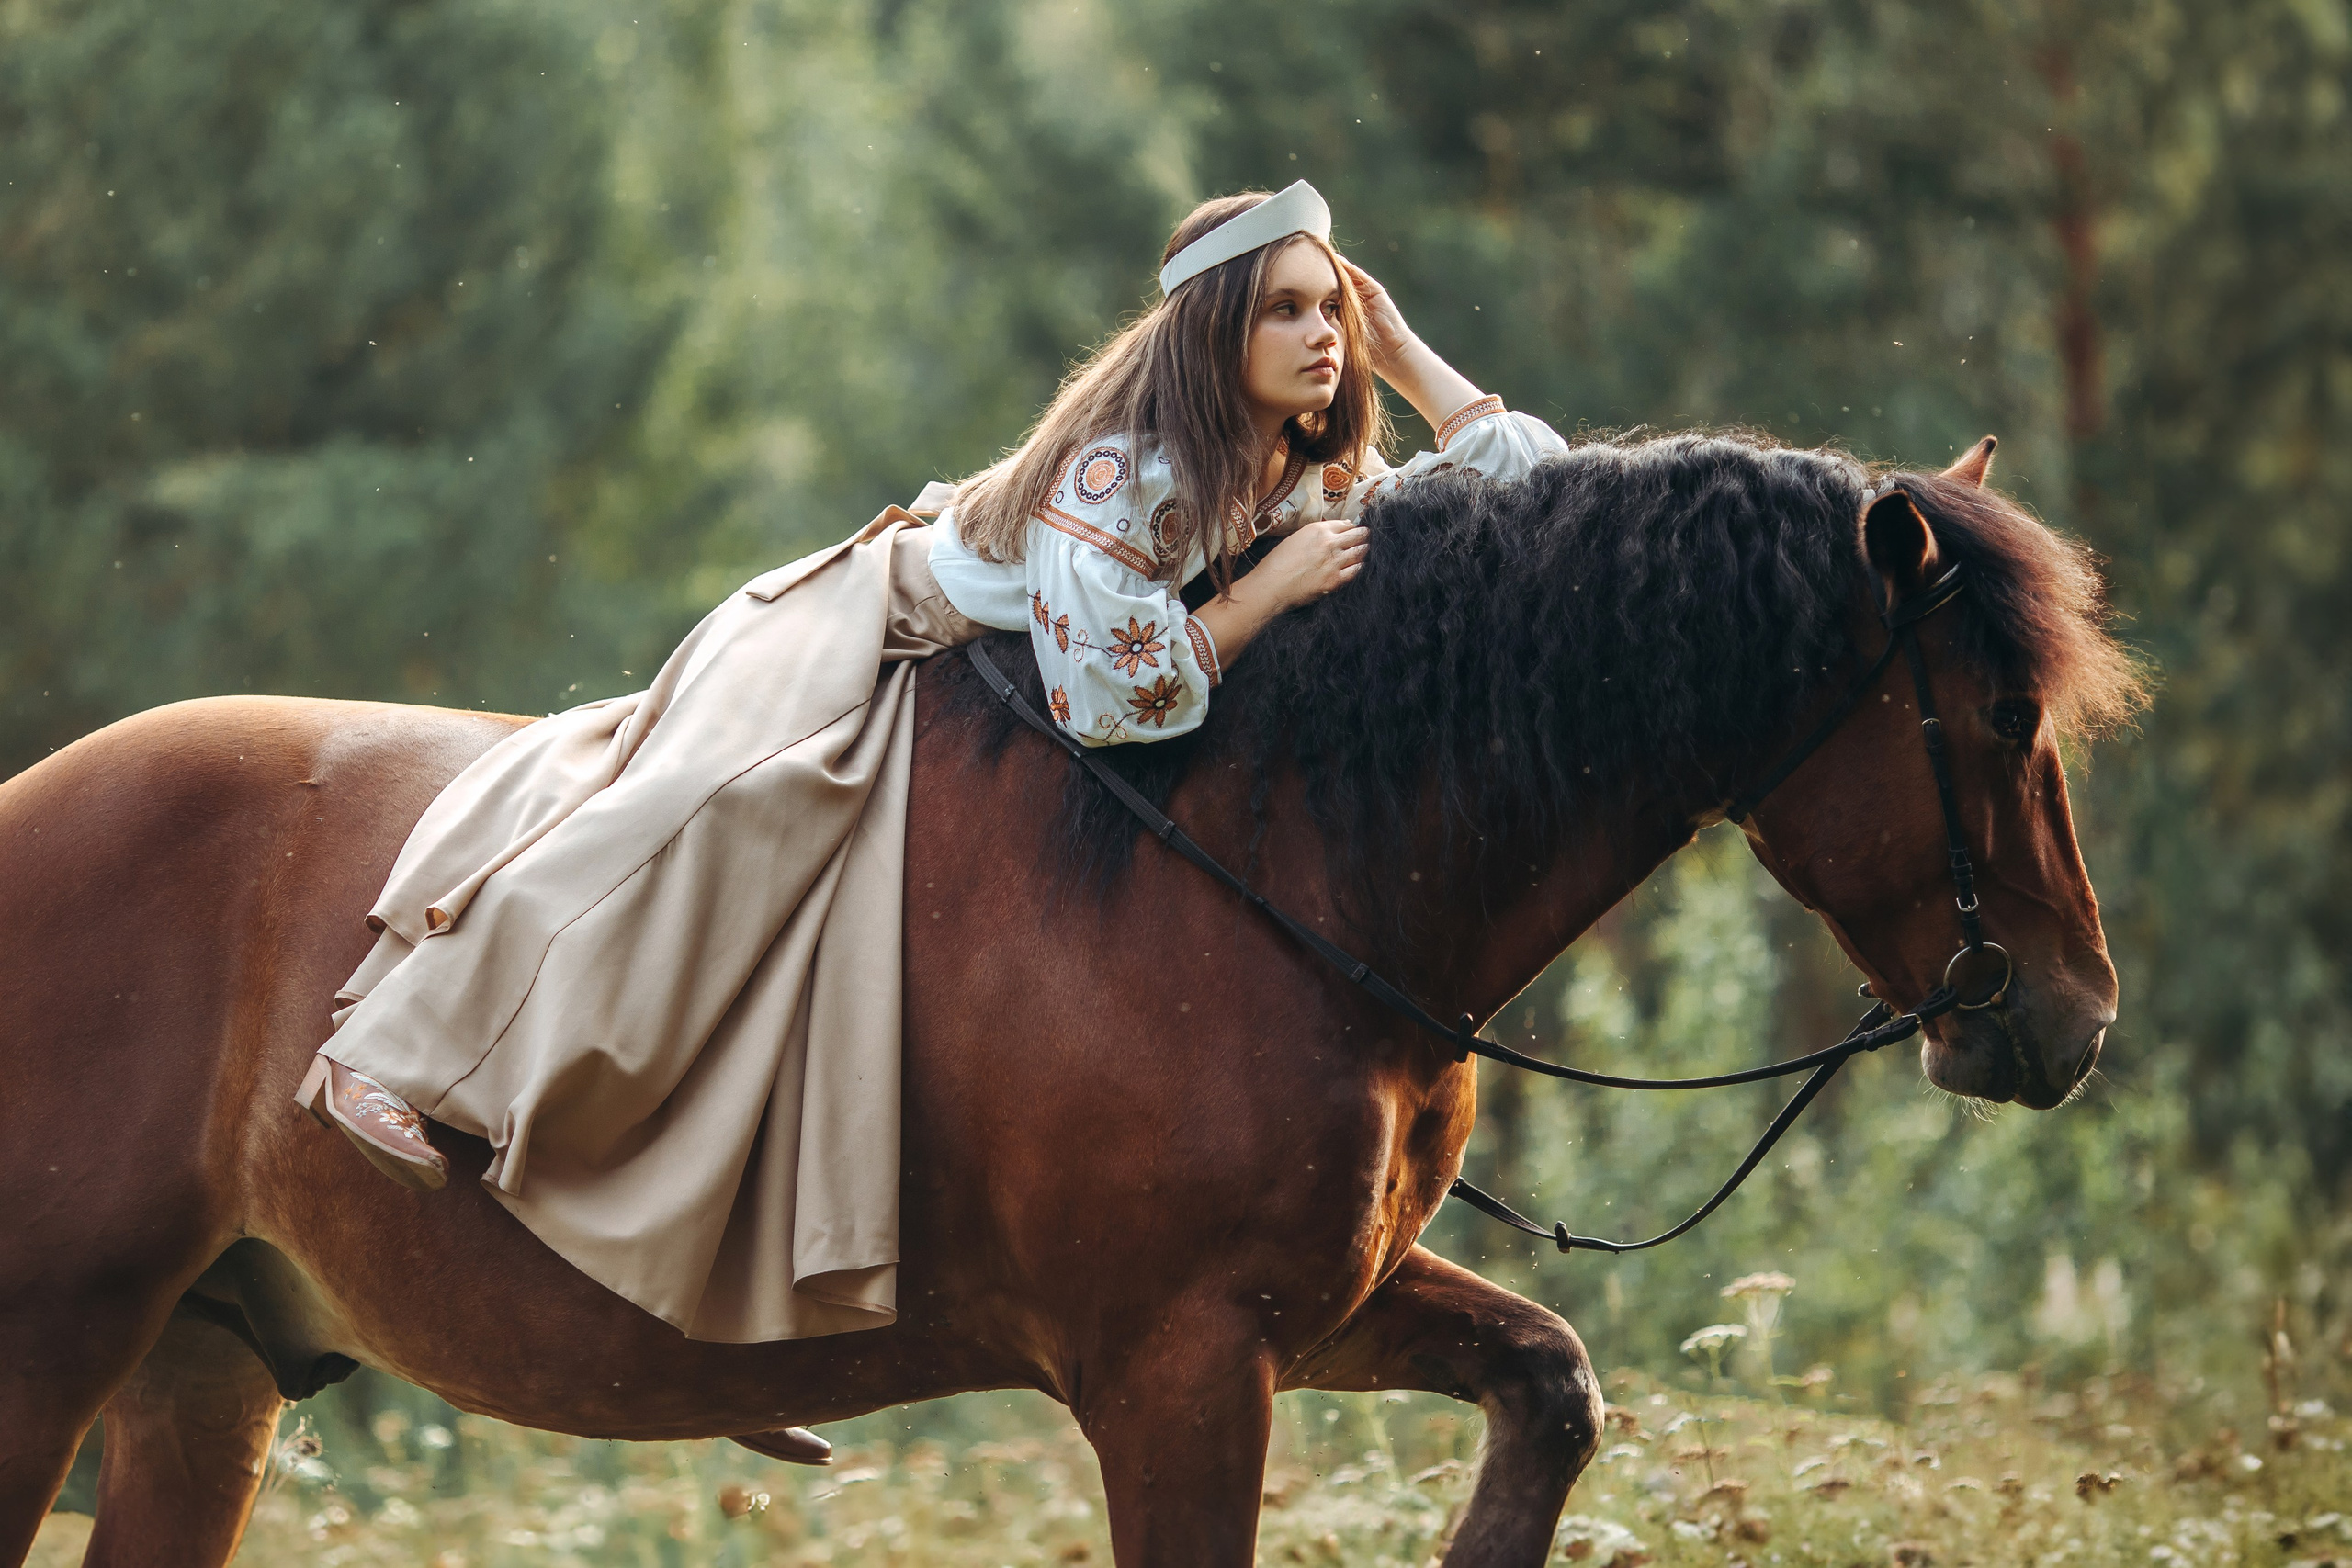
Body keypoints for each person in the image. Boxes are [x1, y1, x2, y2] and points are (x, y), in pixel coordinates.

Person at [298, 181, 1569, 1345]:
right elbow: (1109, 690)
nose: (1322, 333)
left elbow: (1531, 499)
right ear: (1216, 329)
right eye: (1287, 309)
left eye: (1332, 306)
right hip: (869, 623)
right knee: (720, 812)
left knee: (813, 942)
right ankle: (398, 1051)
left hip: (975, 683)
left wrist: (1403, 354)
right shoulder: (1128, 466)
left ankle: (706, 1263)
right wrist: (1265, 596)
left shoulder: (1300, 465)